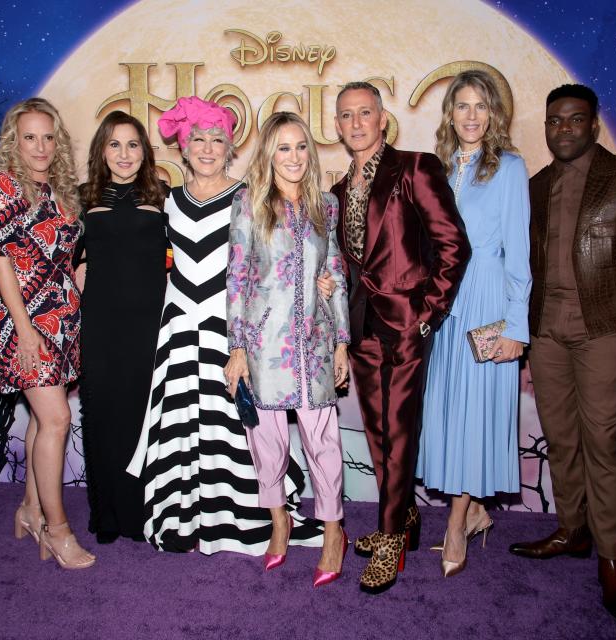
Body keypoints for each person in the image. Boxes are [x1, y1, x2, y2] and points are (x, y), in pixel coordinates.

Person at [127, 97, 328, 554]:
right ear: (182, 147)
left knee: (233, 428)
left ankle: (249, 517)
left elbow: (278, 260)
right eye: (197, 139)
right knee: (183, 424)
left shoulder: (249, 198)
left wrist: (323, 277)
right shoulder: (167, 202)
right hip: (178, 331)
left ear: (230, 147)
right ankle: (184, 517)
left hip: (230, 332)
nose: (207, 147)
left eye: (217, 139)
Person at [508, 84, 616, 621]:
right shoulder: (535, 188)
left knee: (603, 443)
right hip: (547, 335)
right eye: (554, 121)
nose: (563, 129)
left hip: (606, 331)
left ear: (593, 123)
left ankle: (611, 559)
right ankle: (573, 531)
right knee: (560, 440)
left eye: (574, 120)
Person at [331, 82, 470, 593]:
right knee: (377, 433)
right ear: (338, 126)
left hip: (408, 324)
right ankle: (404, 517)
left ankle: (390, 538)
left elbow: (453, 245)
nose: (356, 123)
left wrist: (427, 314)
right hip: (362, 326)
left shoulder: (415, 167)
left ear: (383, 118)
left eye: (365, 112)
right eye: (346, 115)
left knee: (398, 431)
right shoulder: (340, 190)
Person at [223, 112, 351, 585]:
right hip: (264, 343)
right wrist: (236, 347)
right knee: (268, 441)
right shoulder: (249, 203)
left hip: (314, 342)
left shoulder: (325, 206)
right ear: (268, 154)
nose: (293, 157)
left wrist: (341, 340)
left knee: (324, 443)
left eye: (300, 147)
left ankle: (333, 530)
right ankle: (280, 521)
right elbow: (237, 277)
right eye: (282, 148)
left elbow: (335, 272)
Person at [415, 71, 531, 577]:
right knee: (447, 412)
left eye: (480, 106)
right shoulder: (437, 168)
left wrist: (516, 327)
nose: (471, 116)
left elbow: (519, 256)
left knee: (476, 416)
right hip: (443, 303)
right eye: (462, 106)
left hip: (486, 302)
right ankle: (474, 510)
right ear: (450, 114)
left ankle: (458, 522)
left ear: (494, 114)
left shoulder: (508, 168)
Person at [0, 97, 94, 569]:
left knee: (45, 420)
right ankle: (57, 529)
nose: (41, 146)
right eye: (30, 137)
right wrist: (23, 330)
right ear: (13, 141)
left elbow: (67, 263)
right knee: (58, 419)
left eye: (48, 137)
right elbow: (0, 262)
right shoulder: (0, 187)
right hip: (24, 323)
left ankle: (28, 509)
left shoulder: (60, 191)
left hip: (64, 320)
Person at [77, 111, 168, 544]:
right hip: (100, 323)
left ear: (145, 152)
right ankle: (107, 515)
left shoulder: (164, 197)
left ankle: (142, 514)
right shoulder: (82, 198)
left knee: (142, 416)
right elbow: (67, 259)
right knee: (103, 415)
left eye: (133, 144)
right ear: (101, 150)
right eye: (115, 144)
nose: (125, 154)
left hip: (150, 324)